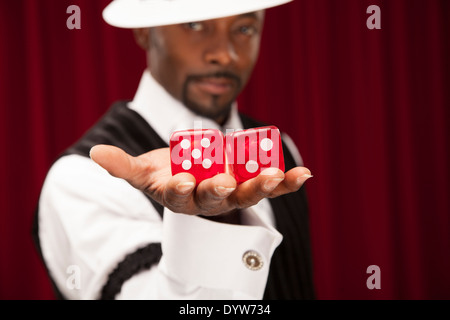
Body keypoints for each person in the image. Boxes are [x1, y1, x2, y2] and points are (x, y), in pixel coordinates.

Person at [33, 0, 316, 300]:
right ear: (144, 30)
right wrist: (205, 220)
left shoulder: (282, 150)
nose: (224, 54)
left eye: (244, 28)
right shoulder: (83, 176)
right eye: (194, 25)